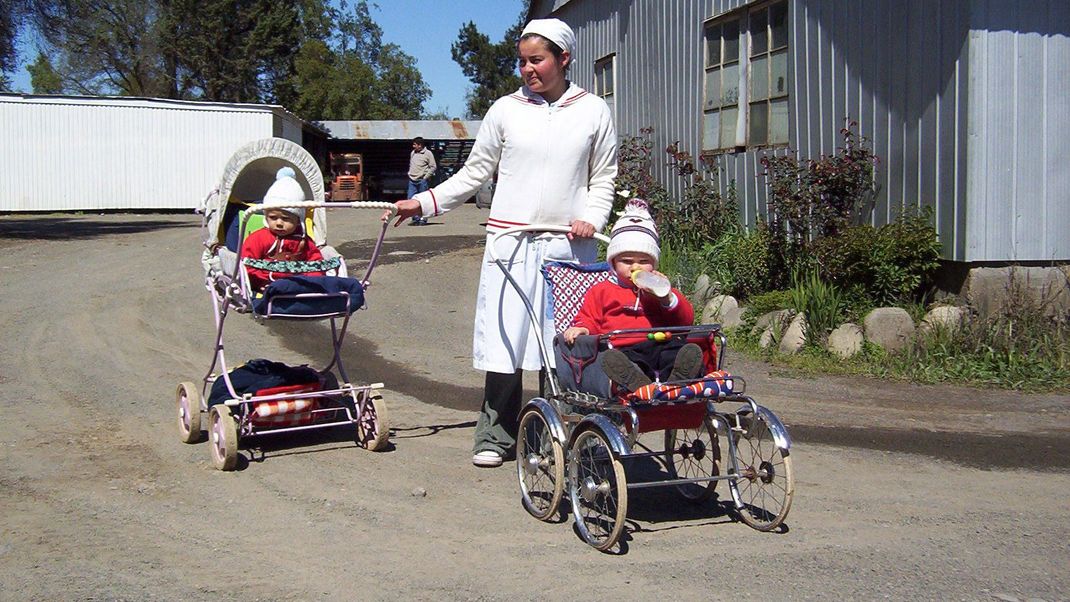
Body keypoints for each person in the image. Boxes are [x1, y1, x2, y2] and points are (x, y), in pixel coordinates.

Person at [386, 17, 617, 468]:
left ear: (564, 58)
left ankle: (562, 436)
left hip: (568, 248)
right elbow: (475, 173)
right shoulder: (506, 110)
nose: (527, 70)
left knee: (565, 344)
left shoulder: (594, 111)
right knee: (506, 340)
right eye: (522, 62)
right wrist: (425, 203)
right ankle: (496, 434)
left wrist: (591, 218)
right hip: (510, 243)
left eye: (537, 60)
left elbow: (603, 176)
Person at [562, 199, 705, 392]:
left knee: (676, 352)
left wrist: (666, 297)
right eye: (627, 261)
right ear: (613, 263)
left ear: (653, 264)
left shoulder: (659, 289)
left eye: (644, 261)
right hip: (624, 348)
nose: (635, 267)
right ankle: (638, 383)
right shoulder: (602, 290)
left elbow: (685, 321)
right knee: (623, 361)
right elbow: (589, 318)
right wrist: (583, 329)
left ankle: (676, 383)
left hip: (660, 342)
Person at [240, 168, 326, 291]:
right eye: (273, 218)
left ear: (298, 220)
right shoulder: (258, 238)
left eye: (286, 219)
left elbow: (315, 262)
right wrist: (258, 282)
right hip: (266, 284)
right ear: (265, 216)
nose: (279, 223)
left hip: (298, 285)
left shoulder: (303, 240)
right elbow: (247, 265)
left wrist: (314, 281)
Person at [407, 137, 437, 225]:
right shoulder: (413, 153)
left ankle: (423, 218)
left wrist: (426, 177)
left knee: (423, 201)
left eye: (415, 144)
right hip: (412, 180)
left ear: (420, 145)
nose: (413, 146)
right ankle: (415, 218)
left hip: (422, 181)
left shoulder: (428, 154)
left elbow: (433, 166)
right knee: (411, 200)